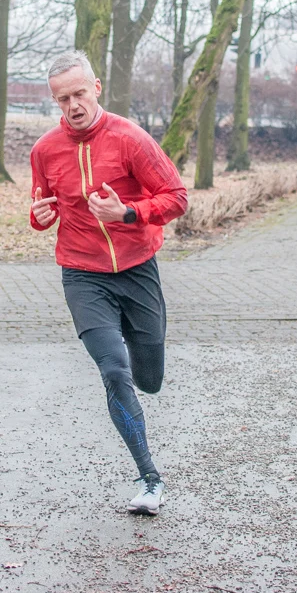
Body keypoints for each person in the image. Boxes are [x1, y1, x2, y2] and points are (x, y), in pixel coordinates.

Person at [28, 51, 188, 516]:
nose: (73, 105)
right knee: (114, 371)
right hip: (82, 274)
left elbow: (177, 198)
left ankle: (139, 361)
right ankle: (150, 479)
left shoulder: (130, 139)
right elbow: (42, 207)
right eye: (63, 99)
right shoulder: (44, 150)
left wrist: (128, 212)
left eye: (79, 94)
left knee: (148, 379)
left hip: (137, 268)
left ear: (96, 87)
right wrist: (39, 218)